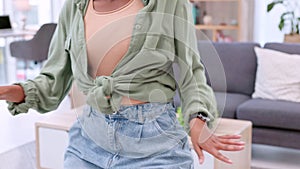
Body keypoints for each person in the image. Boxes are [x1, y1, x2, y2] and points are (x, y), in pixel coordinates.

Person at [0, 0, 245, 168]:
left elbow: (192, 72)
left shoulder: (169, 4)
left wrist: (198, 120)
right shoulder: (74, 8)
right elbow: (54, 78)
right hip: (88, 142)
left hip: (154, 144)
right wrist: (17, 91)